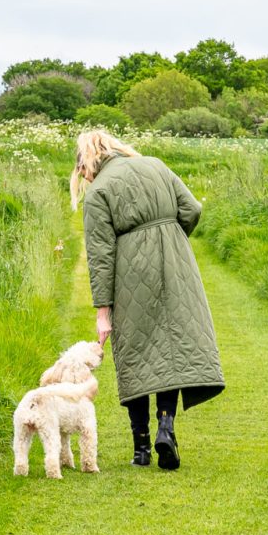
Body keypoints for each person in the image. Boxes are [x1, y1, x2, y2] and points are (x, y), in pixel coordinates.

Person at [71, 129, 224, 469]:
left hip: (130, 271)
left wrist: (103, 311)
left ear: (88, 161)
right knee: (170, 350)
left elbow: (100, 254)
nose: (83, 177)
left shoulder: (99, 191)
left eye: (81, 171)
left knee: (134, 352)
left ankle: (141, 448)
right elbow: (192, 209)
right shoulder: (155, 164)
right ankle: (166, 427)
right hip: (176, 265)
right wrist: (169, 237)